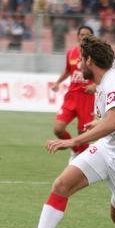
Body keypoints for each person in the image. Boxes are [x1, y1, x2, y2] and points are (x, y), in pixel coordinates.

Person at [3, 35, 115, 228]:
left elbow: (113, 123)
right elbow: (108, 120)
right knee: (61, 185)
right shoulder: (102, 85)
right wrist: (96, 123)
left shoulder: (114, 82)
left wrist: (74, 142)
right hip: (107, 150)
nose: (78, 65)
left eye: (81, 59)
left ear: (89, 60)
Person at [50, 25, 95, 161]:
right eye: (82, 35)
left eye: (87, 35)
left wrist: (94, 85)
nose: (84, 37)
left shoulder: (96, 55)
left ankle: (82, 162)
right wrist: (58, 82)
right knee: (58, 129)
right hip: (71, 97)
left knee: (83, 133)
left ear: (91, 37)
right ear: (77, 36)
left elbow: (103, 74)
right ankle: (76, 150)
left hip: (87, 98)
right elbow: (68, 71)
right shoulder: (71, 53)